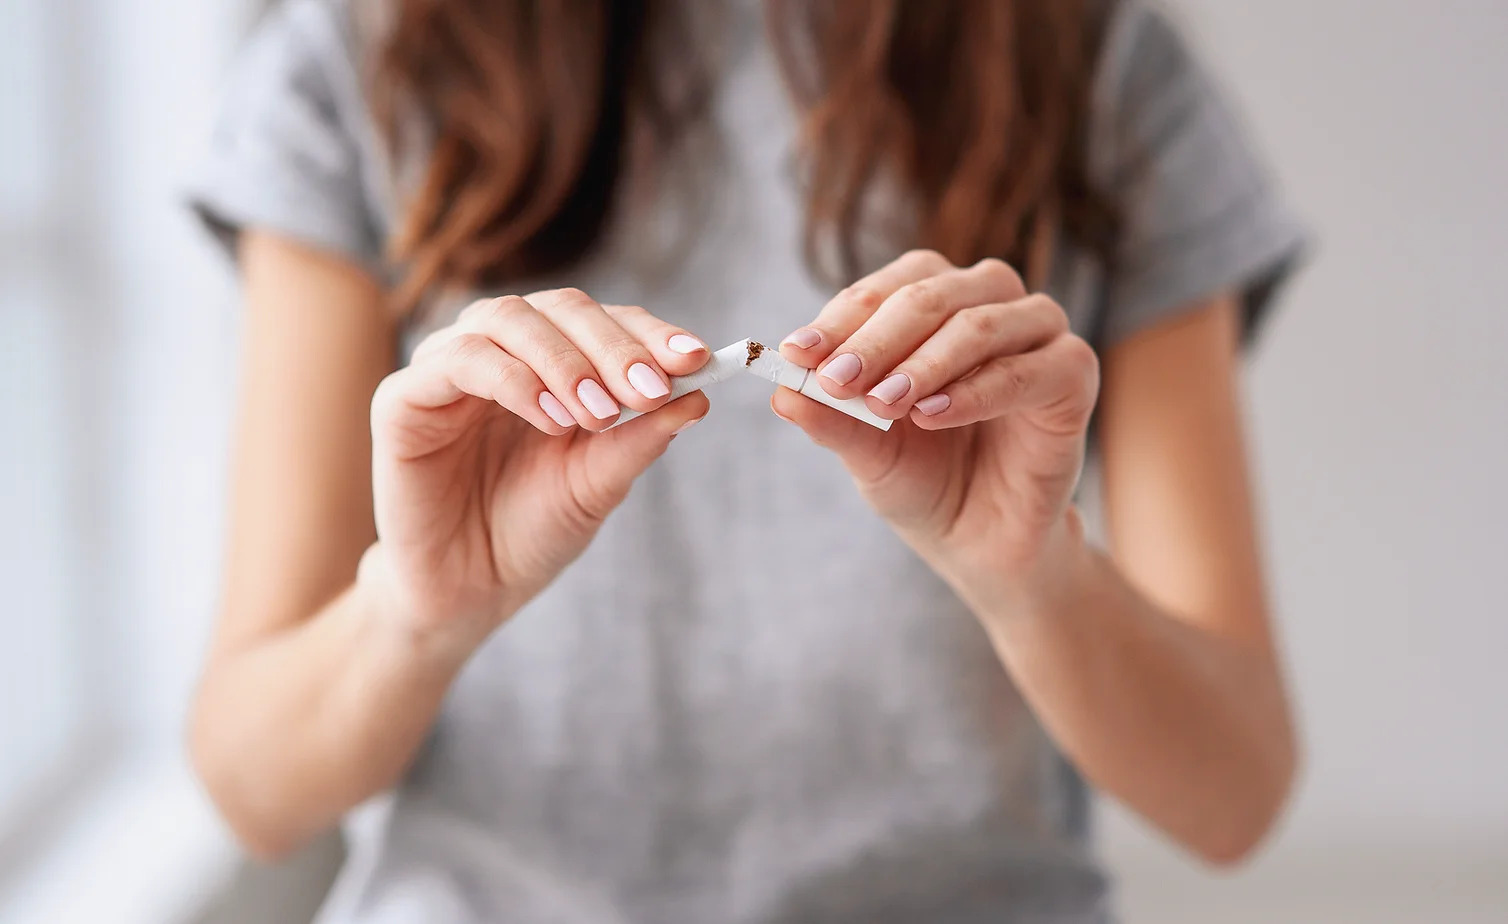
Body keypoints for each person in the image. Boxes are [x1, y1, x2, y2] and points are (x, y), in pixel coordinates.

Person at [187, 0, 1306, 920]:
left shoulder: (1098, 65)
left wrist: (1031, 579)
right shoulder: (362, 61)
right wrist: (417, 615)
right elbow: (254, 786)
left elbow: (1232, 793)